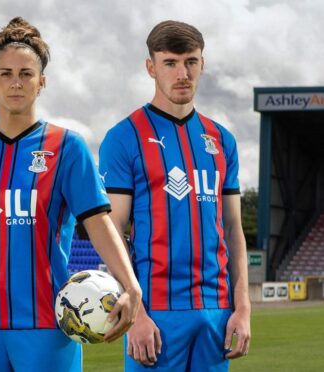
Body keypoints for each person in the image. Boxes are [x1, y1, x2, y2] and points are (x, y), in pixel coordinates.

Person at [0, 17, 142, 372]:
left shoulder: (67, 147)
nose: (16, 82)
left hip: (49, 327)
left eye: (26, 73)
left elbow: (99, 222)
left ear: (41, 82)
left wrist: (130, 285)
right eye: (6, 73)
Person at [99, 20, 251, 371]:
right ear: (151, 67)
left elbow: (233, 229)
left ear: (202, 64)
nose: (182, 73)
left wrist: (242, 308)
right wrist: (136, 315)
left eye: (191, 62)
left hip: (216, 312)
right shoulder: (124, 137)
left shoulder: (222, 140)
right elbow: (113, 230)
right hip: (155, 315)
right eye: (170, 63)